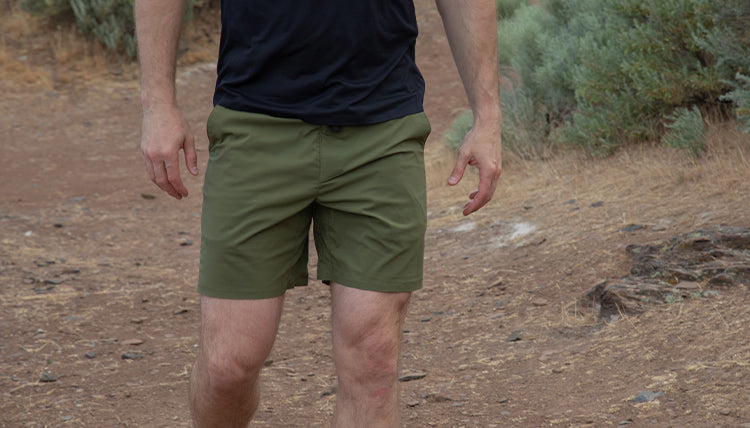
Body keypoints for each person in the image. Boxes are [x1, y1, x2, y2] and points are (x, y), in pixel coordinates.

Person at [135, 0, 501, 426]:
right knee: (228, 366)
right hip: (255, 123)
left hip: (381, 128)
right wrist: (157, 102)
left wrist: (488, 116)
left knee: (374, 360)